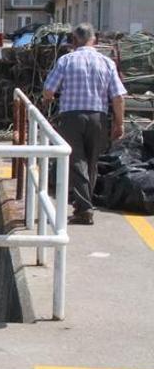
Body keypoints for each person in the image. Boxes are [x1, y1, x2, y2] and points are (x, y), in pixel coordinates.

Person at [43, 23, 126, 225]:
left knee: (77, 162)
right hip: (98, 116)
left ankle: (85, 208)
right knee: (92, 162)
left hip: (71, 117)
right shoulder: (106, 62)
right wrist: (119, 123)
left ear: (73, 40)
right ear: (94, 39)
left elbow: (48, 90)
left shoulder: (66, 60)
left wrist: (50, 99)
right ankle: (83, 206)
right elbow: (118, 97)